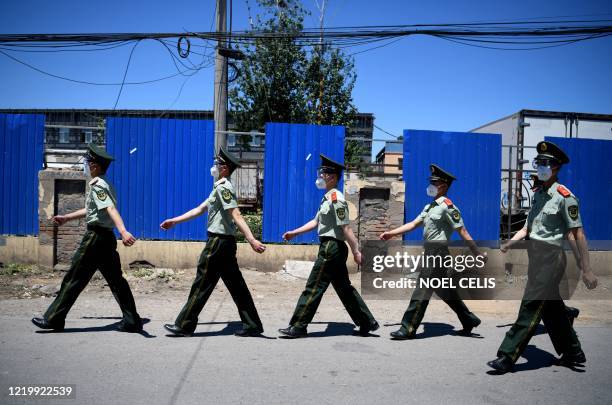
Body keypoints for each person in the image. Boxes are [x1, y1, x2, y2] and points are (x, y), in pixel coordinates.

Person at [487, 141, 598, 373]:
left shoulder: (565, 196)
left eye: (546, 163)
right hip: (536, 256)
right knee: (551, 308)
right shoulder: (538, 195)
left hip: (551, 258)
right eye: (539, 162)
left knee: (531, 305)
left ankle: (507, 355)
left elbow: (577, 233)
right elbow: (528, 228)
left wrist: (585, 268)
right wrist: (510, 242)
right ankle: (573, 352)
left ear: (556, 167)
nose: (541, 167)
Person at [32, 144, 142, 333]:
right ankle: (132, 320)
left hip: (95, 238)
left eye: (88, 162)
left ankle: (53, 319)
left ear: (95, 166)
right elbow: (93, 210)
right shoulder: (105, 184)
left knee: (74, 278)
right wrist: (67, 217)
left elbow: (110, 209)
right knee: (116, 281)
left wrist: (123, 231)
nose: (86, 165)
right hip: (105, 238)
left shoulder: (98, 185)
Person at [161, 148, 266, 337]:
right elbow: (199, 209)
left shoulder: (224, 187)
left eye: (218, 164)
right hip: (223, 243)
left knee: (202, 283)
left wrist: (251, 239)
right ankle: (252, 324)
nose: (214, 167)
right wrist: (175, 221)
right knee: (236, 286)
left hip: (218, 243)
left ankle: (184, 324)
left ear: (224, 168)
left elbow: (236, 214)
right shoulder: (219, 186)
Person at [278, 154, 379, 338]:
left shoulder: (336, 199)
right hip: (331, 247)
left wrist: (356, 250)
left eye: (323, 174)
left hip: (331, 248)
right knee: (344, 288)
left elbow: (345, 227)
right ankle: (367, 322)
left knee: (314, 286)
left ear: (332, 176)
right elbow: (315, 222)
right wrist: (294, 233)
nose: (320, 177)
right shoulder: (327, 197)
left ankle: (298, 326)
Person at [379, 164, 484, 340]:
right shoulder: (430, 207)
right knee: (445, 291)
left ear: (443, 185)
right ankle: (469, 319)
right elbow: (413, 224)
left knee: (422, 290)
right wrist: (391, 233)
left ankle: (408, 327)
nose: (431, 185)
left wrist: (477, 253)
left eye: (434, 182)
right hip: (430, 252)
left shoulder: (447, 206)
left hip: (438, 252)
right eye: (431, 182)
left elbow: (463, 231)